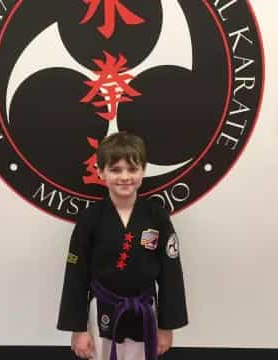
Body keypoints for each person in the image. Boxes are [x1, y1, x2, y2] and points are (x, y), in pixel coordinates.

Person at [57, 132, 188, 360]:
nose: (125, 177)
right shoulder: (90, 219)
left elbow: (171, 274)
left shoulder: (156, 217)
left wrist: (167, 327)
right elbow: (75, 276)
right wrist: (77, 329)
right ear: (100, 172)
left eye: (132, 169)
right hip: (102, 312)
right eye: (115, 170)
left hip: (145, 312)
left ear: (143, 170)